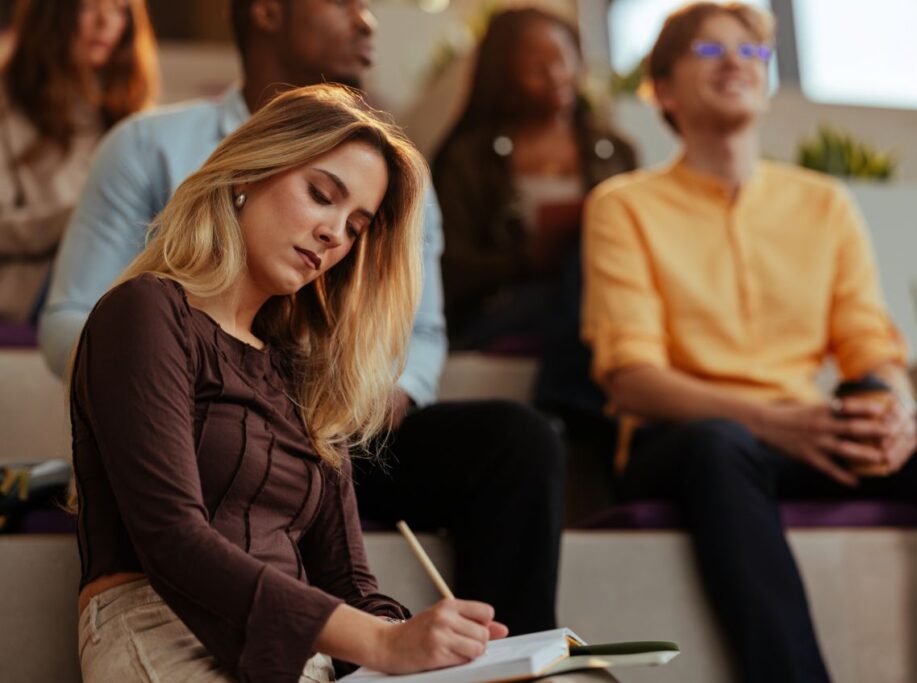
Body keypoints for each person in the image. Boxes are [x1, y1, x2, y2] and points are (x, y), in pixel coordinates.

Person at [43, 0, 563, 637]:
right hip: (171, 407)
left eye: (355, 226)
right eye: (320, 194)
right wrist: (173, 373)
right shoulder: (150, 154)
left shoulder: (390, 182)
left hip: (339, 407)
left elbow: (420, 334)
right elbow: (76, 315)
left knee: (516, 440)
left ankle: (519, 663)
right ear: (268, 11)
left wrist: (358, 403)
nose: (368, 20)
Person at [581, 3, 917, 682]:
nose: (736, 62)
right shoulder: (623, 204)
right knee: (720, 443)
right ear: (663, 90)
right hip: (690, 436)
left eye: (751, 52)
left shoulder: (824, 203)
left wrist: (898, 408)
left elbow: (869, 346)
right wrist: (772, 421)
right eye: (708, 51)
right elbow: (631, 377)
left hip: (807, 428)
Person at [73, 83, 510, 683]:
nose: (335, 234)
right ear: (247, 174)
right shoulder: (145, 313)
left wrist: (435, 647)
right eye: (320, 196)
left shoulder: (302, 369)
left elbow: (348, 582)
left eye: (356, 225)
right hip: (160, 623)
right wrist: (382, 643)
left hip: (299, 648)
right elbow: (173, 540)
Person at [433, 7, 635, 354]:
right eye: (536, 66)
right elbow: (450, 265)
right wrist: (525, 260)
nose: (556, 74)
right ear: (504, 74)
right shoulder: (469, 159)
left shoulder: (616, 150)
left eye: (563, 58)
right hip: (505, 306)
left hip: (603, 296)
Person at [0, 0, 156, 322]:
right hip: (32, 283)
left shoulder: (129, 112)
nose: (105, 22)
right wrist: (83, 217)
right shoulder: (7, 103)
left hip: (116, 271)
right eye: (88, 6)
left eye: (119, 8)